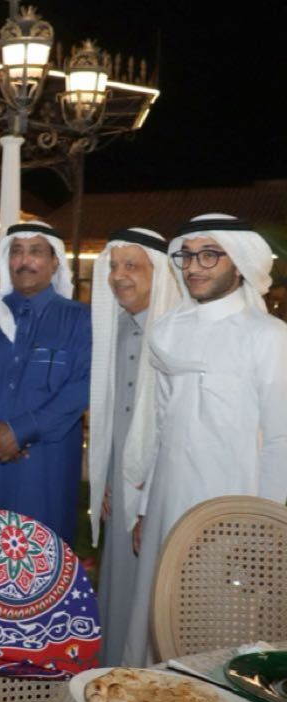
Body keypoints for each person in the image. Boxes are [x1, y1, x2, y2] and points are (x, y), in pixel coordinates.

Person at [123, 214, 287, 665]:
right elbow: (162, 428)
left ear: (240, 262)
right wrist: (144, 508)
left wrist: (262, 529)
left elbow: (281, 440)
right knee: (157, 622)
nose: (194, 266)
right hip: (165, 507)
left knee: (216, 629)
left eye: (210, 255)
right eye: (188, 255)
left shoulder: (269, 337)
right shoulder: (168, 330)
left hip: (231, 514)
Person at [0, 221, 90, 544]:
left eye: (36, 252)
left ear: (55, 261)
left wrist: (20, 431)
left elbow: (82, 386)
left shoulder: (80, 319)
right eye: (17, 251)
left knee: (39, 557)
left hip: (45, 468)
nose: (25, 260)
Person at [86, 228, 179, 666]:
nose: (119, 275)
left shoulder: (176, 333)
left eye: (131, 266)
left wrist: (146, 500)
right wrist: (105, 476)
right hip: (119, 487)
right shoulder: (116, 327)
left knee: (154, 595)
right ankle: (113, 679)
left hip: (160, 489)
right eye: (113, 267)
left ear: (157, 273)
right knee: (117, 587)